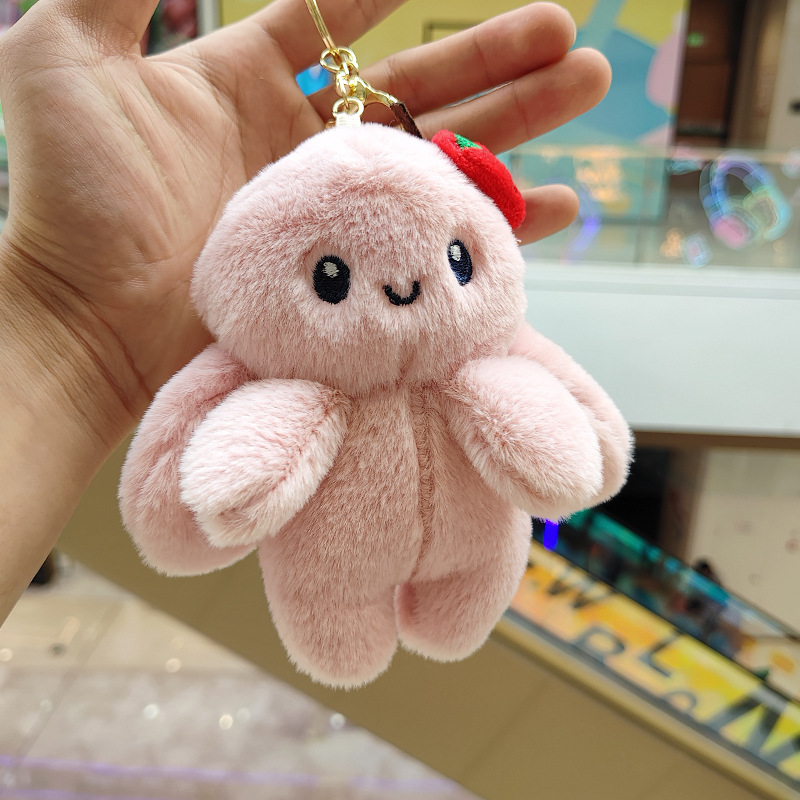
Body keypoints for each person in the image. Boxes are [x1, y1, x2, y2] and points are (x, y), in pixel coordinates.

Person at [0, 0, 611, 624]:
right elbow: (213, 476)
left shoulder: (483, 355)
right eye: (330, 278)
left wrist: (52, 316)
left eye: (460, 260)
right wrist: (53, 306)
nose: (403, 293)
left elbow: (558, 408)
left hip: (476, 542)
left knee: (459, 609)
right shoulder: (291, 387)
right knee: (335, 629)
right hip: (336, 562)